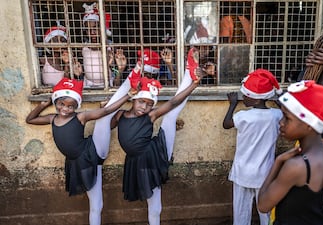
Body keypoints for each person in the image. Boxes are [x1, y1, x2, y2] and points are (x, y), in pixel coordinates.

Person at [110, 47, 208, 225]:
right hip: (134, 161)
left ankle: (189, 74)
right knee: (150, 201)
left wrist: (194, 85)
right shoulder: (120, 116)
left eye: (149, 104)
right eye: (141, 102)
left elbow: (173, 102)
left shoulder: (150, 115)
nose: (144, 107)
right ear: (133, 99)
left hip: (153, 155)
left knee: (170, 116)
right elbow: (107, 121)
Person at [26, 77, 132, 225]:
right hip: (78, 163)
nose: (65, 109)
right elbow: (30, 119)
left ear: (76, 106)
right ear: (56, 101)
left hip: (91, 152)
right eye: (61, 104)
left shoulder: (80, 117)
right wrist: (43, 104)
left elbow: (108, 110)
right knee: (96, 203)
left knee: (104, 116)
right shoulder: (52, 118)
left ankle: (129, 83)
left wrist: (129, 96)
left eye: (70, 106)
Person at [257, 80, 323, 225]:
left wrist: (278, 162)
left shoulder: (295, 166)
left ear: (309, 125)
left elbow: (263, 205)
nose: (281, 123)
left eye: (287, 118)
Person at [222, 69, 283, 225]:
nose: (243, 98)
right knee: (266, 212)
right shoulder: (276, 115)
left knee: (241, 212)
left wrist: (232, 105)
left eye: (246, 95)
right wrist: (282, 103)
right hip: (264, 173)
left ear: (256, 100)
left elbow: (226, 124)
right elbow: (289, 116)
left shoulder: (243, 116)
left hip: (242, 172)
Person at [81, 2, 126, 87]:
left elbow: (115, 71)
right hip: (87, 85)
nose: (92, 33)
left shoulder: (110, 47)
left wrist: (113, 67)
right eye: (88, 29)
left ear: (102, 28)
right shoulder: (84, 47)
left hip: (108, 84)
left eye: (95, 28)